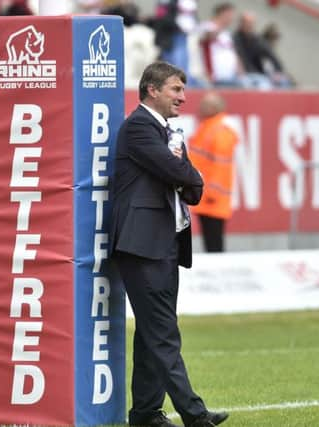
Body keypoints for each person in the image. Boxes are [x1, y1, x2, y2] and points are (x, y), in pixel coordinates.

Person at [110, 61, 228, 427]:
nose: (183, 97)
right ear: (152, 90)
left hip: (164, 244)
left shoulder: (169, 131)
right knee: (162, 333)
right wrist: (184, 173)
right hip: (142, 245)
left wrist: (184, 174)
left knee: (151, 334)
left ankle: (145, 414)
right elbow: (181, 173)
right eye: (176, 89)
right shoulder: (139, 127)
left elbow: (193, 190)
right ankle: (194, 415)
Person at [188, 92, 238, 252]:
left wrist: (212, 193)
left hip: (213, 198)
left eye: (205, 104)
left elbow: (220, 166)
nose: (200, 107)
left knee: (214, 242)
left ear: (215, 108)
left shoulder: (219, 131)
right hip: (206, 196)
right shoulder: (207, 127)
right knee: (210, 241)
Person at [198, 2, 244, 87]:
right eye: (229, 15)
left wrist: (240, 70)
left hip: (231, 77)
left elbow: (233, 53)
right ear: (222, 13)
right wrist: (220, 25)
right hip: (215, 78)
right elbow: (206, 37)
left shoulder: (226, 33)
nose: (232, 18)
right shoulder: (206, 26)